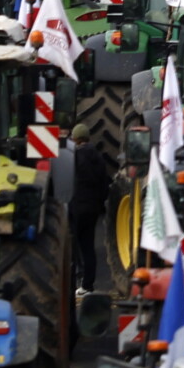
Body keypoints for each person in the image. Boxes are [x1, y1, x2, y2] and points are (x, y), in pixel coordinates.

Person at [66, 124, 111, 292]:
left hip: (77, 207)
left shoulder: (74, 157)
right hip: (92, 209)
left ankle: (71, 283)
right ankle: (88, 285)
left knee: (71, 247)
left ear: (75, 138)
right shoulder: (98, 158)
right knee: (88, 247)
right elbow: (104, 183)